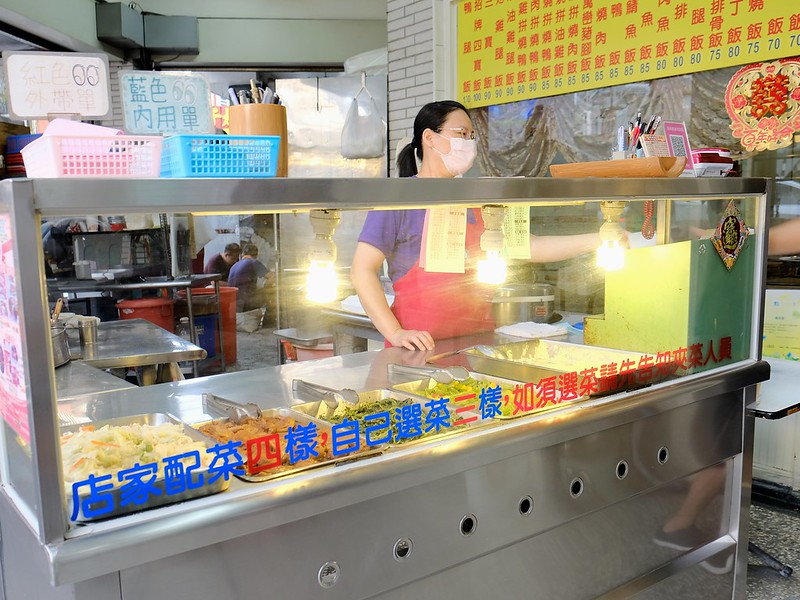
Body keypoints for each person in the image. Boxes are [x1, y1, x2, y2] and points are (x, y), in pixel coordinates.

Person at [350, 100, 603, 351]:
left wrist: (600, 239)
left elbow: (528, 245)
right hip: (418, 345)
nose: (468, 143)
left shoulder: (477, 199)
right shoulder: (399, 200)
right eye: (461, 134)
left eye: (472, 136)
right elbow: (362, 270)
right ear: (429, 138)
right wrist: (395, 333)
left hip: (478, 344)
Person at [227, 243, 273, 313]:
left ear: (242, 254)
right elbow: (272, 277)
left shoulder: (234, 266)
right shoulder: (253, 262)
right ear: (256, 255)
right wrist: (266, 287)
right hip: (247, 306)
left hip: (234, 307)